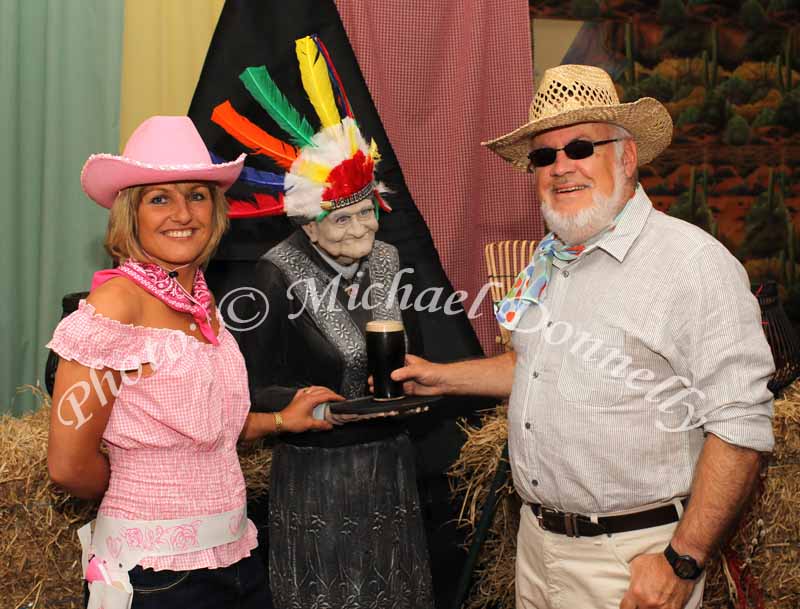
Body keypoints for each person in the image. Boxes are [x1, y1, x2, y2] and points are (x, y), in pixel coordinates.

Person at [385, 64, 775, 609]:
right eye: (544, 156)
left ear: (628, 155)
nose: (560, 168)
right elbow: (539, 366)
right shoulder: (552, 262)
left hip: (633, 562)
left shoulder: (692, 264)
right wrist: (442, 378)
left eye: (581, 147)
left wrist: (682, 560)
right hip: (538, 548)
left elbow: (741, 425)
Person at [46, 115, 339, 609]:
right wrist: (143, 503)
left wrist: (278, 421)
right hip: (154, 575)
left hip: (236, 558)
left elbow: (197, 426)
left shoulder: (201, 302)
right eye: (160, 198)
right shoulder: (118, 307)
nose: (183, 212)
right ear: (129, 215)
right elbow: (68, 466)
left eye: (197, 195)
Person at [213, 36, 434, 609]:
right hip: (318, 478)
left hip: (390, 468)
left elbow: (406, 351)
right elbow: (248, 387)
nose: (362, 230)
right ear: (309, 225)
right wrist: (315, 401)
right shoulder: (274, 274)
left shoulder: (388, 260)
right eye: (344, 220)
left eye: (368, 212)